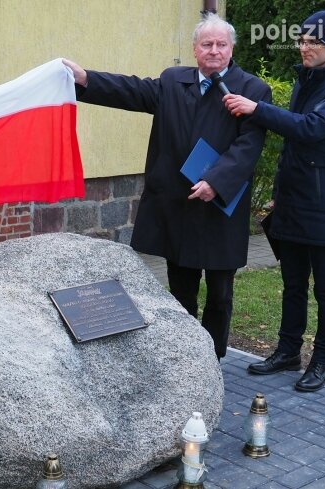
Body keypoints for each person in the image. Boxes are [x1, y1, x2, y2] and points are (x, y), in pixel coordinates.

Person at [63, 13, 270, 360]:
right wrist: (86, 79)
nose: (214, 51)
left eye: (221, 44)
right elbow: (132, 90)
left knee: (220, 294)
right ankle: (184, 355)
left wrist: (216, 182)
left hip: (220, 208)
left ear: (231, 48)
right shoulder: (173, 81)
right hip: (180, 206)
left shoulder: (251, 89)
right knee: (180, 289)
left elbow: (248, 146)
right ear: (194, 49)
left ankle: (212, 358)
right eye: (207, 44)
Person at [223, 9, 325, 392]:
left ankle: (322, 360)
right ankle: (289, 351)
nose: (304, 48)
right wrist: (278, 192)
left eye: (312, 42)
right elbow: (294, 146)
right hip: (293, 199)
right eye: (301, 41)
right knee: (292, 282)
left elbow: (312, 129)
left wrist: (257, 109)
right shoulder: (307, 76)